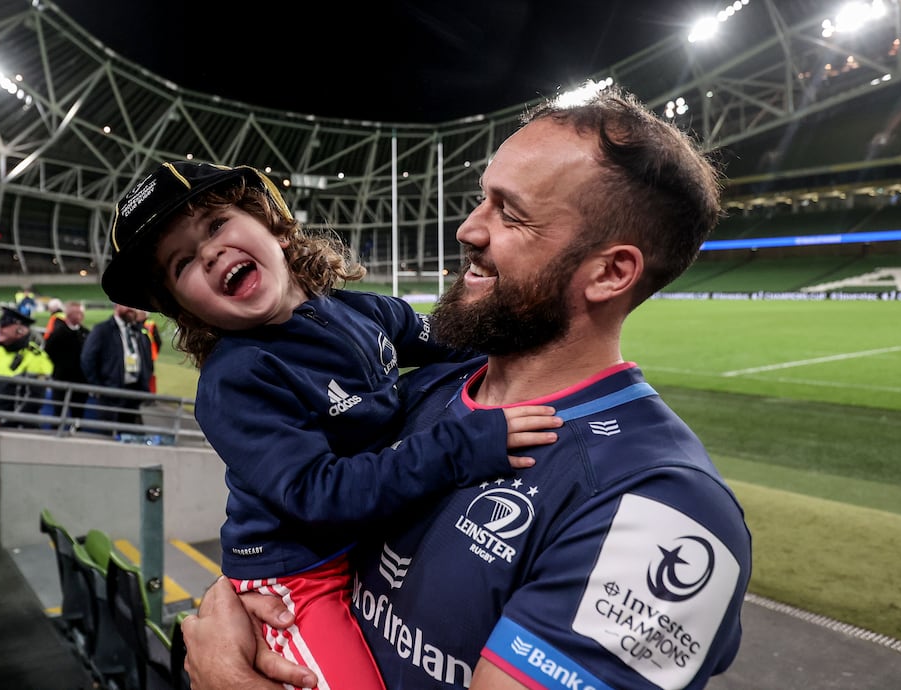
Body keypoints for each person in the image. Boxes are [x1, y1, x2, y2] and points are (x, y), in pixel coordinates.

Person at [182, 83, 753, 690]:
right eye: (483, 199)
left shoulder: (663, 511)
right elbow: (306, 509)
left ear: (611, 273)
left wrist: (228, 679)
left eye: (512, 213)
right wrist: (242, 593)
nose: (468, 230)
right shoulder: (428, 389)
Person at [99, 160, 562, 689]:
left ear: (271, 220)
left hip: (356, 547)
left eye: (215, 225)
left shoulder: (357, 311)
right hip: (298, 581)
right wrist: (463, 445)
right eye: (182, 262)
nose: (208, 252)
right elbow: (319, 494)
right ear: (185, 309)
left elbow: (453, 342)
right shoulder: (236, 381)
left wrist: (531, 327)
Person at [79, 303, 154, 433]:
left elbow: (148, 360)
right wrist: (99, 386)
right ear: (116, 306)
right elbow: (87, 359)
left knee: (129, 436)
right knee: (108, 436)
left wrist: (144, 382)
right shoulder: (102, 330)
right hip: (110, 393)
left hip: (133, 394)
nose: (132, 308)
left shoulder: (140, 332)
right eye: (126, 304)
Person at [0, 307, 54, 429]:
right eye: (0, 325)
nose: (0, 329)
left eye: (5, 326)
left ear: (21, 330)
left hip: (19, 431)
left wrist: (3, 423)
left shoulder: (37, 357)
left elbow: (33, 401)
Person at [43, 300, 91, 420]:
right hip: (61, 377)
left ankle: (76, 432)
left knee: (78, 412)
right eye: (77, 313)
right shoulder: (58, 333)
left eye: (81, 313)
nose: (80, 316)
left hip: (81, 380)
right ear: (68, 314)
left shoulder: (86, 333)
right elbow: (48, 351)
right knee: (59, 410)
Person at [136, 309, 162, 393]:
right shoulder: (134, 323)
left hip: (149, 357)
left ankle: (149, 395)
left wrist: (154, 353)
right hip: (137, 356)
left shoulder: (150, 324)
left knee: (148, 376)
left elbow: (158, 341)